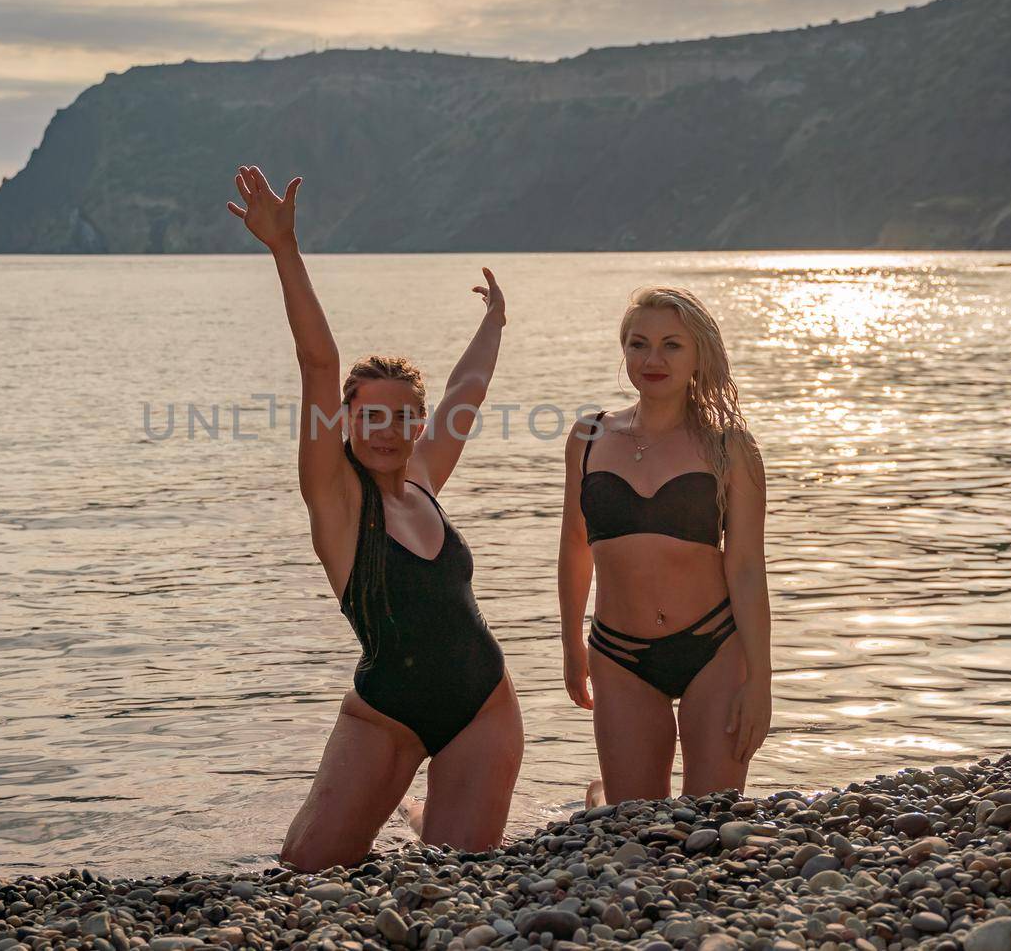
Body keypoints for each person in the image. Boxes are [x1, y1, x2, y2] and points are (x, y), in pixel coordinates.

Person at [226, 163, 523, 871]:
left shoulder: (423, 474)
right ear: (345, 420)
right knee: (304, 869)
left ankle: (433, 813)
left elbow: (469, 389)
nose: (386, 431)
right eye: (370, 416)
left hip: (483, 707)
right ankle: (409, 806)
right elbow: (317, 359)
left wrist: (495, 319)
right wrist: (284, 252)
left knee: (457, 880)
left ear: (417, 424)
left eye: (402, 417)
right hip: (385, 710)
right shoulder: (333, 496)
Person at [557, 285, 771, 804]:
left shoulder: (729, 446)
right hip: (617, 652)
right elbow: (574, 547)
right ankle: (602, 798)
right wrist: (570, 646)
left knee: (712, 820)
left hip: (715, 647)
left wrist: (760, 682)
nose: (652, 359)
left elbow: (745, 568)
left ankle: (599, 799)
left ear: (699, 354)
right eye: (638, 344)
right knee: (635, 826)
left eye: (672, 345)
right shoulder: (588, 437)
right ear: (623, 350)